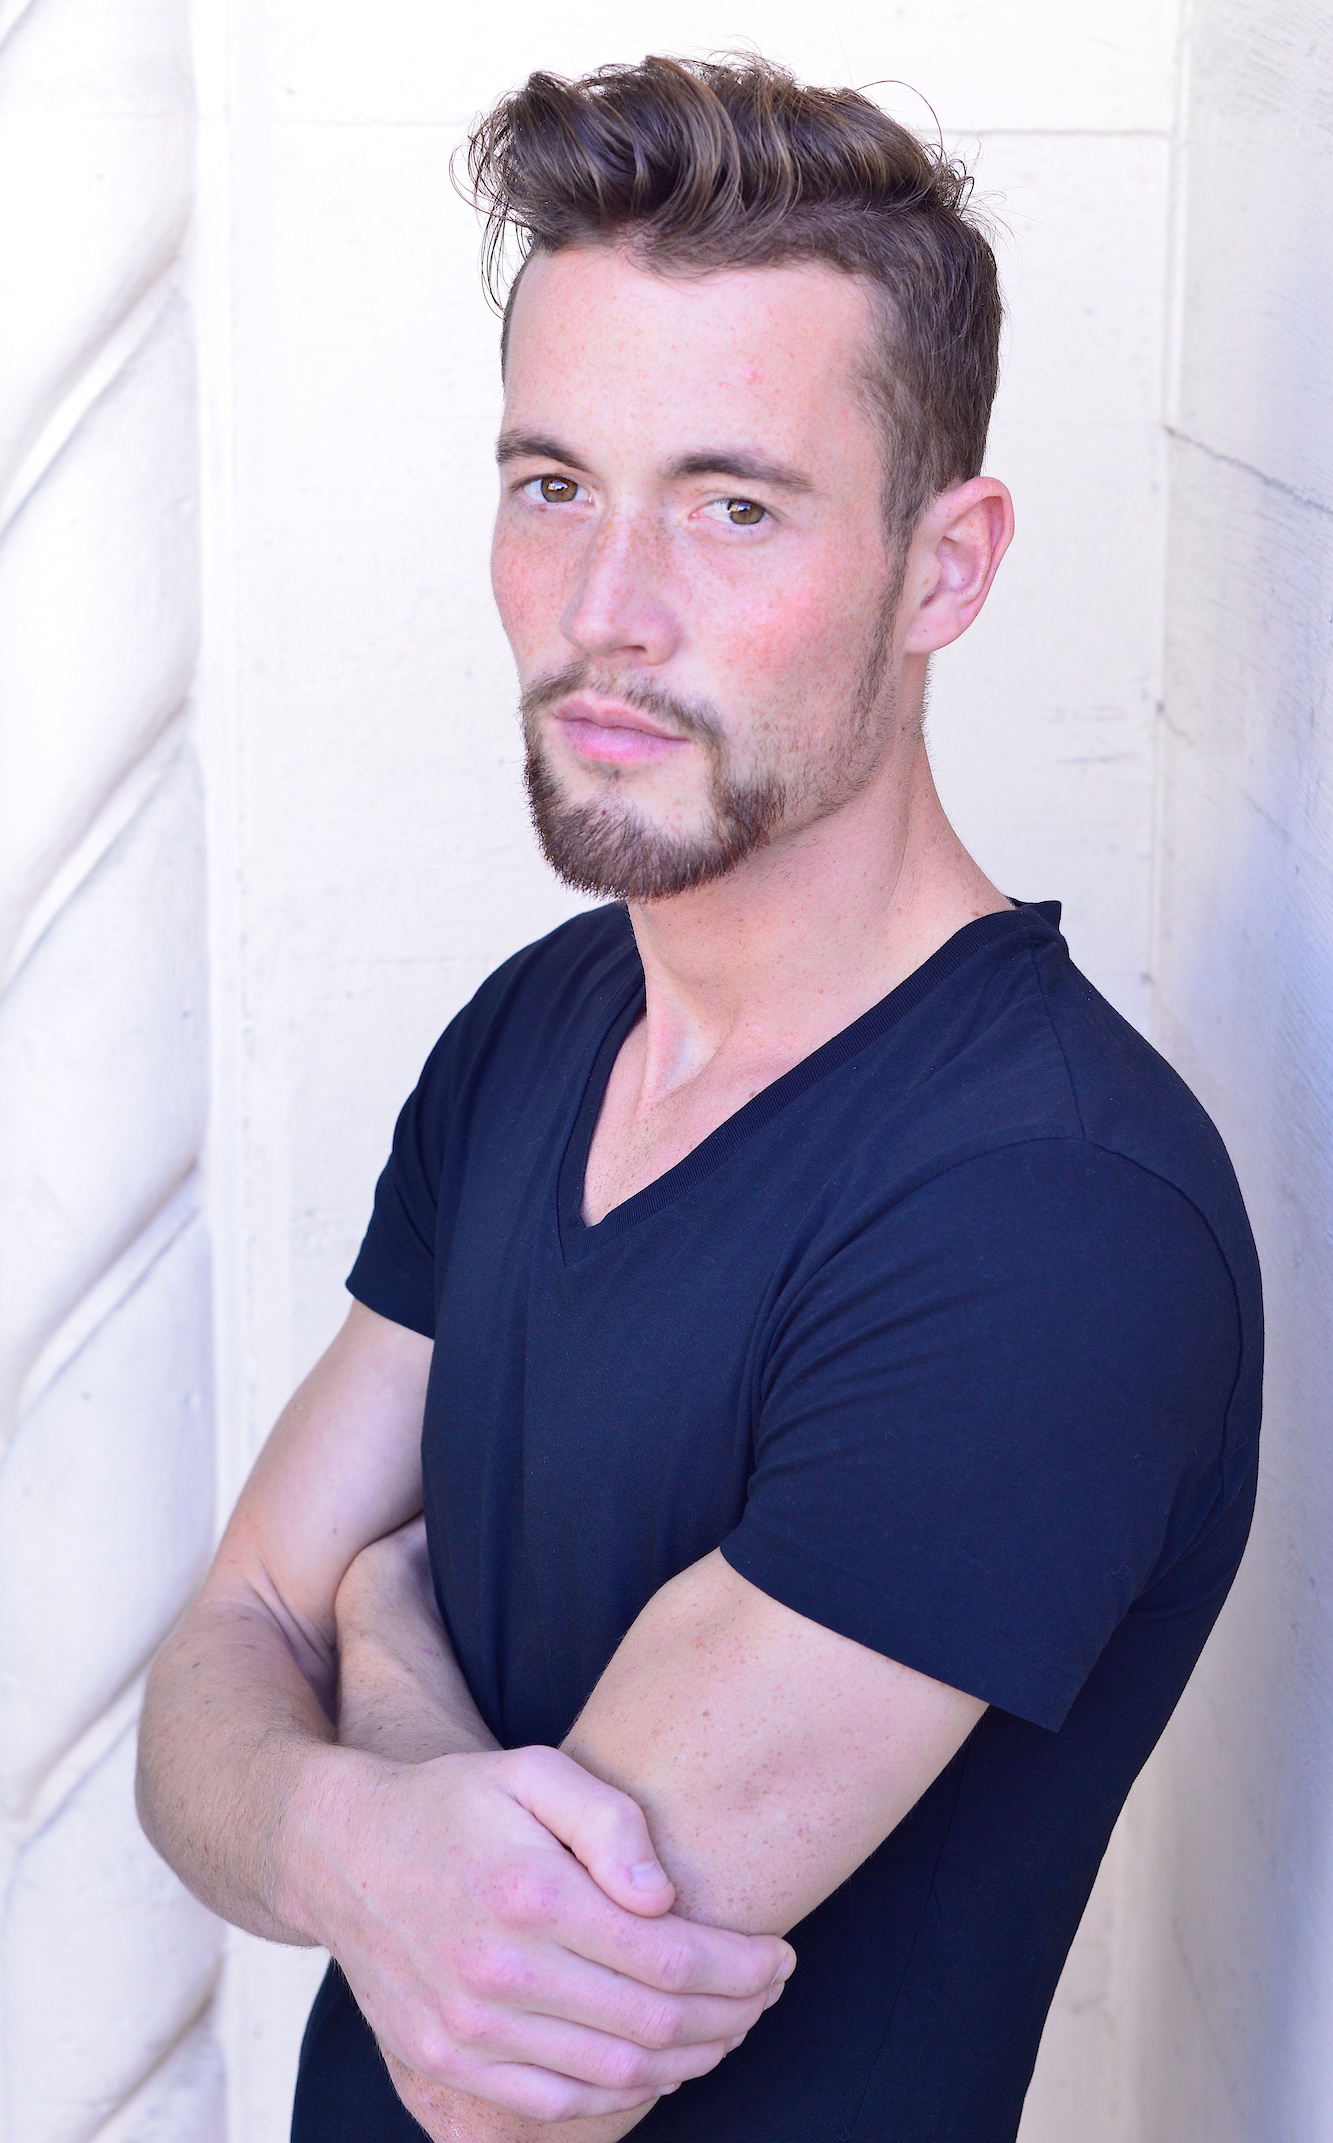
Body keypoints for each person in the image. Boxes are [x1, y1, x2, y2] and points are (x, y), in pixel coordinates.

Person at [136, 53, 1262, 2143]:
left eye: (733, 505)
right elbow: (218, 1651)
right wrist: (365, 1838)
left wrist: (377, 1630)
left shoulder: (1048, 1215)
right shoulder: (540, 1027)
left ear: (944, 568)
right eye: (553, 484)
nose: (606, 612)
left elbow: (525, 2074)